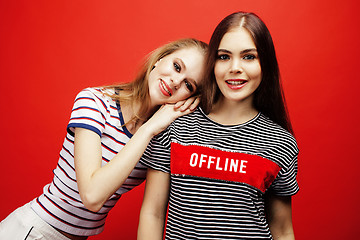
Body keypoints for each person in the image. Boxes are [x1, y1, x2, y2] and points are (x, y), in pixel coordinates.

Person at [0, 38, 208, 240]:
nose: (175, 81)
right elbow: (92, 196)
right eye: (177, 67)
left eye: (188, 85)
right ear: (159, 59)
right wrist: (148, 129)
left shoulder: (163, 138)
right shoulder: (95, 102)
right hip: (35, 231)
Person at [138, 12, 299, 240]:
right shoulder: (176, 126)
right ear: (212, 63)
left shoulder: (280, 142)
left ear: (266, 64)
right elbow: (152, 213)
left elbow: (282, 231)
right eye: (224, 57)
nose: (235, 67)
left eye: (248, 57)